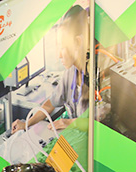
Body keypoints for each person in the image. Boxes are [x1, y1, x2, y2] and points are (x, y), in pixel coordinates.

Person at [11, 6, 89, 134]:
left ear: (78, 42)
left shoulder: (98, 76)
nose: (59, 55)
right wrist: (26, 124)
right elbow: (50, 104)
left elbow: (101, 123)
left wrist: (69, 122)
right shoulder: (70, 73)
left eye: (63, 47)